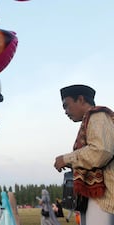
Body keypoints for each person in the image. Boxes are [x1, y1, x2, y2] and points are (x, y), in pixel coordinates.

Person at [54, 84, 114, 225]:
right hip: (96, 195)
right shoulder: (91, 120)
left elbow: (101, 151)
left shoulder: (98, 116)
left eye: (66, 106)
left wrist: (66, 159)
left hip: (103, 197)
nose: (65, 112)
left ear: (80, 99)